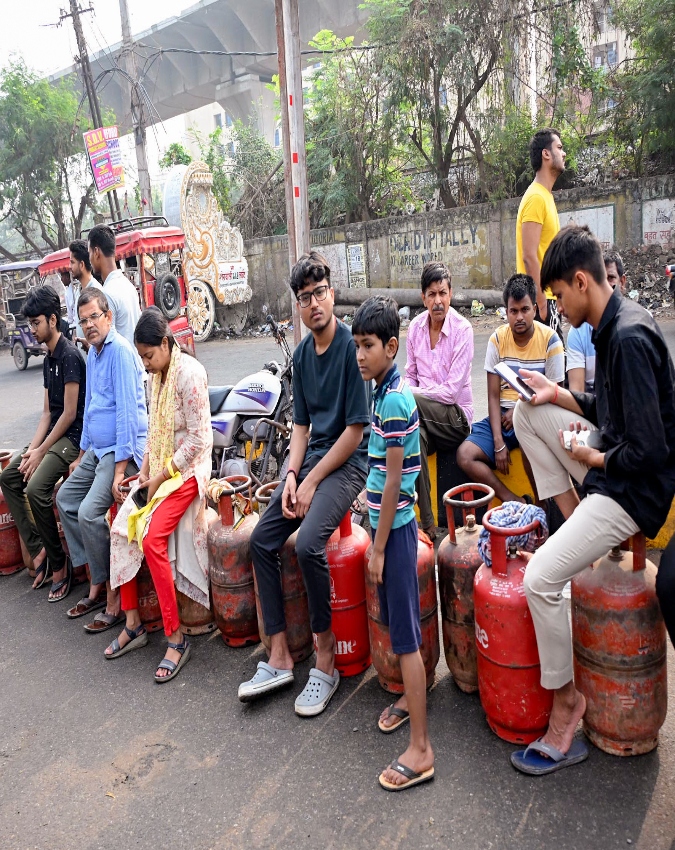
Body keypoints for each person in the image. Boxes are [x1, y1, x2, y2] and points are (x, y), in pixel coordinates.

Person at [510, 225, 675, 775]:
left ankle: (566, 707)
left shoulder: (625, 337)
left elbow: (650, 452)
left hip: (633, 492)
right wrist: (561, 396)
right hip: (612, 470)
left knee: (540, 580)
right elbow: (613, 409)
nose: (556, 306)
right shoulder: (613, 324)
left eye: (557, 295)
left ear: (581, 281)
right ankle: (577, 532)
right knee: (526, 413)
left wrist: (595, 459)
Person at [238, 251, 370, 715]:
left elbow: (355, 432)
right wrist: (290, 476)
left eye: (319, 293)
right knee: (261, 540)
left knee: (309, 544)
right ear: (297, 304)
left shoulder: (352, 348)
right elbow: (300, 427)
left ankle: (326, 658)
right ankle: (278, 655)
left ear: (331, 293)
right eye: (303, 297)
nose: (313, 303)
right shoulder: (300, 355)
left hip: (349, 464)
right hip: (312, 462)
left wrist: (311, 480)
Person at [352, 296, 434, 792]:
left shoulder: (397, 399)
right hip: (391, 525)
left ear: (391, 346)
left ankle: (422, 749)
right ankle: (411, 696)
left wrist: (378, 547)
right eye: (357, 346)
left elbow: (399, 481)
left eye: (367, 346)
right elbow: (384, 468)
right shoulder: (383, 394)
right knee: (404, 630)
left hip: (396, 532)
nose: (360, 355)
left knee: (404, 637)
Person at [105, 307, 212, 682]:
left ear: (166, 345)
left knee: (152, 539)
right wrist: (144, 475)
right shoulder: (157, 377)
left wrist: (161, 475)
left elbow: (199, 440)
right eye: (143, 358)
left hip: (189, 471)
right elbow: (154, 433)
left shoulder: (190, 374)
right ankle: (133, 623)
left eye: (149, 356)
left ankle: (176, 637)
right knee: (120, 525)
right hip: (163, 471)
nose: (146, 364)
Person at [57, 288, 148, 631]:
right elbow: (91, 407)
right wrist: (80, 455)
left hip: (121, 450)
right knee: (65, 498)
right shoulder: (93, 354)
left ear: (108, 317)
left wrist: (121, 469)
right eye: (83, 320)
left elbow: (127, 414)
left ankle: (110, 591)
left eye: (94, 317)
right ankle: (96, 575)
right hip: (97, 448)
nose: (89, 325)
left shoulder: (121, 353)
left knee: (88, 511)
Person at [0, 286, 86, 597]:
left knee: (36, 488)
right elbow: (48, 413)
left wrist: (41, 452)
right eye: (30, 324)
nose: (32, 329)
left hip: (74, 438)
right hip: (54, 435)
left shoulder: (70, 356)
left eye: (36, 323)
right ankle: (38, 551)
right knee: (9, 476)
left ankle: (59, 563)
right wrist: (32, 450)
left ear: (52, 319)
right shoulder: (49, 358)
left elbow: (69, 414)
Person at [457, 274, 564, 504]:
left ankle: (542, 508)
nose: (519, 317)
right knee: (465, 455)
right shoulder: (497, 339)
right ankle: (514, 501)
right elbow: (493, 396)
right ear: (506, 312)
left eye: (524, 309)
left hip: (535, 415)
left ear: (535, 309)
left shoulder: (550, 340)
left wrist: (520, 411)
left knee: (529, 447)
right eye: (513, 311)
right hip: (502, 420)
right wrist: (498, 443)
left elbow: (558, 395)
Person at [404, 261, 473, 538]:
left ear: (451, 294)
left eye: (443, 293)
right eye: (432, 294)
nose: (438, 301)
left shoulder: (463, 330)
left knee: (399, 399)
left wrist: (408, 395)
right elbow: (410, 375)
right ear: (423, 297)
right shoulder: (415, 329)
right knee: (413, 437)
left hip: (455, 420)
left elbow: (449, 393)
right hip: (426, 422)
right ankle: (430, 525)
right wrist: (409, 392)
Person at [516, 128, 566, 334]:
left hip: (549, 299)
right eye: (559, 148)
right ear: (546, 154)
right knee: (552, 363)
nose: (563, 154)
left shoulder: (545, 196)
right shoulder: (536, 197)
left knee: (553, 363)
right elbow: (529, 256)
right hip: (540, 301)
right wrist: (542, 303)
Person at [567, 250, 627, 392]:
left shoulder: (633, 328)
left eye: (611, 278)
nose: (604, 286)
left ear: (622, 282)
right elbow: (578, 392)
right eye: (600, 279)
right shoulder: (578, 332)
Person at [88, 224, 141, 346]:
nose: (89, 259)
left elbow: (108, 343)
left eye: (89, 252)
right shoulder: (128, 285)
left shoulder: (107, 294)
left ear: (96, 252)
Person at [67, 239, 101, 347]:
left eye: (72, 262)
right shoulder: (78, 291)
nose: (70, 267)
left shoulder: (96, 291)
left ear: (81, 265)